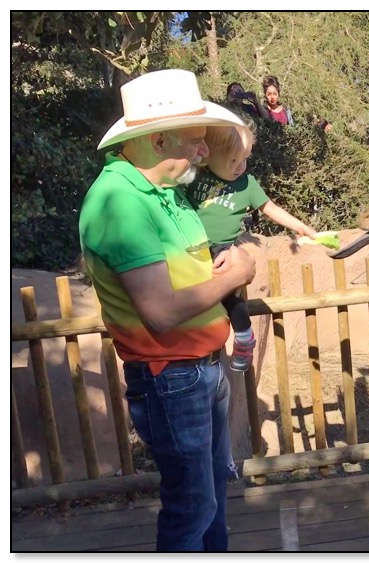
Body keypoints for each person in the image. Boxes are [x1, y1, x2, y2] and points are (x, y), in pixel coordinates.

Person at [78, 69, 257, 552]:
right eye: (196, 141)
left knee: (212, 493)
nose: (204, 152)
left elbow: (193, 274)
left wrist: (229, 264)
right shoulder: (118, 201)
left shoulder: (168, 192)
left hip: (202, 369)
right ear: (158, 140)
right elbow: (160, 312)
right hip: (170, 378)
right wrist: (235, 275)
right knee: (193, 505)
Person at [184, 122, 317, 370]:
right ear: (208, 156)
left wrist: (299, 226)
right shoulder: (195, 177)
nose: (240, 167)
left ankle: (245, 338)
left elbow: (270, 208)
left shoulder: (247, 184)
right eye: (233, 160)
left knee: (229, 296)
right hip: (191, 250)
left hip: (222, 250)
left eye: (244, 159)